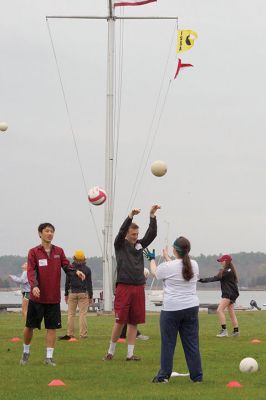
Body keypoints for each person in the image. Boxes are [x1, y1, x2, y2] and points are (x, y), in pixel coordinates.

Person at [20, 222, 85, 366]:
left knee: (52, 327)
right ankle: (25, 351)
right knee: (29, 326)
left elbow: (67, 266)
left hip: (53, 298)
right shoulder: (33, 252)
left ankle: (49, 357)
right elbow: (31, 271)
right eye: (47, 231)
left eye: (52, 231)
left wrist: (76, 272)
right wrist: (34, 286)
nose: (50, 234)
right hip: (37, 298)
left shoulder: (59, 251)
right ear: (40, 234)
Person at [103, 205, 160, 361]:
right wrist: (130, 216)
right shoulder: (120, 245)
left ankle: (130, 354)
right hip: (124, 287)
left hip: (138, 287)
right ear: (127, 234)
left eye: (137, 234)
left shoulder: (139, 245)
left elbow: (152, 234)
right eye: (133, 234)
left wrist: (152, 215)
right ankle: (110, 352)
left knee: (134, 321)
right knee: (120, 321)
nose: (135, 237)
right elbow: (121, 232)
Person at [145, 236, 203, 384]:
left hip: (172, 310)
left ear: (175, 250)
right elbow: (179, 267)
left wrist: (151, 259)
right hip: (191, 308)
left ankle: (163, 376)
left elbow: (155, 272)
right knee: (192, 344)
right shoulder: (194, 264)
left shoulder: (167, 267)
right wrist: (167, 257)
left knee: (168, 344)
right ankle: (197, 377)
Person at [198, 254, 239, 337]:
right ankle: (236, 331)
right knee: (231, 312)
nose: (221, 262)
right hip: (232, 294)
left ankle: (224, 331)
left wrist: (202, 280)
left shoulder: (227, 271)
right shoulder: (229, 270)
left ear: (226, 261)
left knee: (219, 310)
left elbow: (215, 278)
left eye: (222, 261)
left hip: (228, 294)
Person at [59, 249, 93, 340]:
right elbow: (89, 284)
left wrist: (66, 294)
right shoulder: (87, 269)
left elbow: (67, 282)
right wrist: (90, 296)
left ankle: (70, 334)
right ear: (84, 259)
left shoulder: (70, 268)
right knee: (82, 315)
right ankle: (83, 335)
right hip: (83, 293)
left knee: (71, 315)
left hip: (72, 293)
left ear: (74, 258)